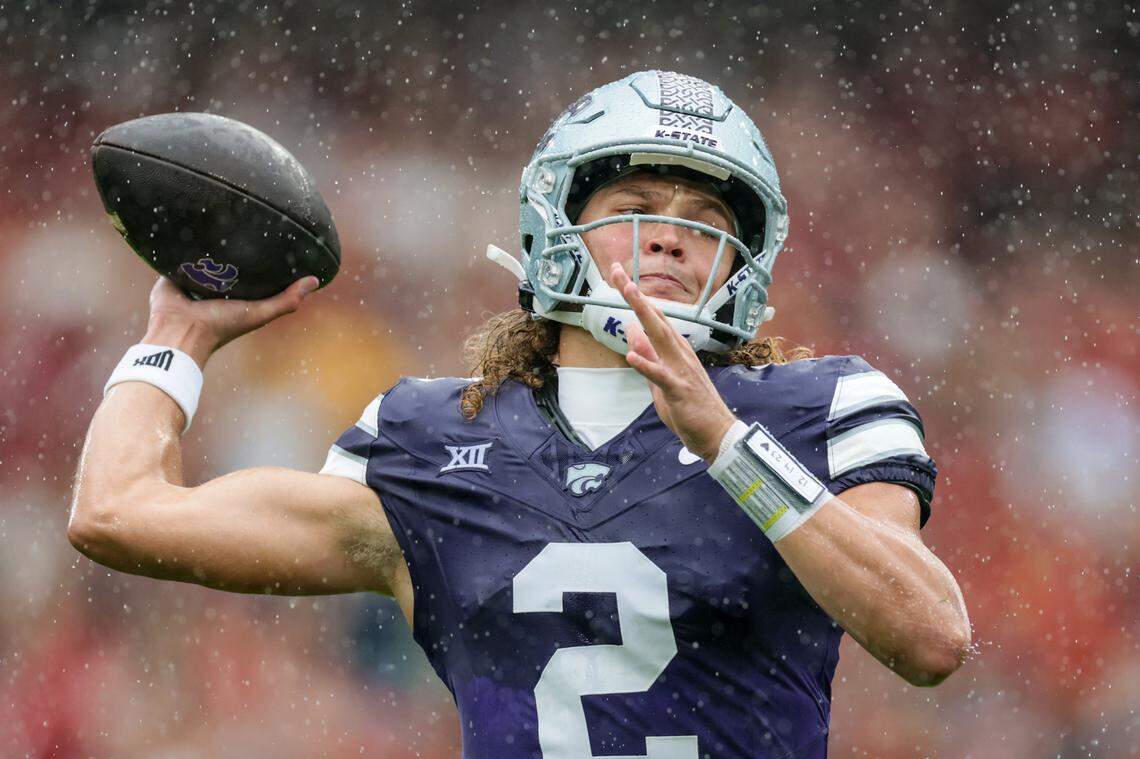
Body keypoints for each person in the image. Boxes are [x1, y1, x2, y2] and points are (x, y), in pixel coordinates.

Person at [69, 71, 971, 758]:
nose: (670, 235)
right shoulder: (431, 440)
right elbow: (117, 513)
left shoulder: (819, 409)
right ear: (557, 227)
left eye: (703, 217)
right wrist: (176, 335)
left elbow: (931, 636)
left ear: (738, 259)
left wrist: (727, 444)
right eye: (635, 207)